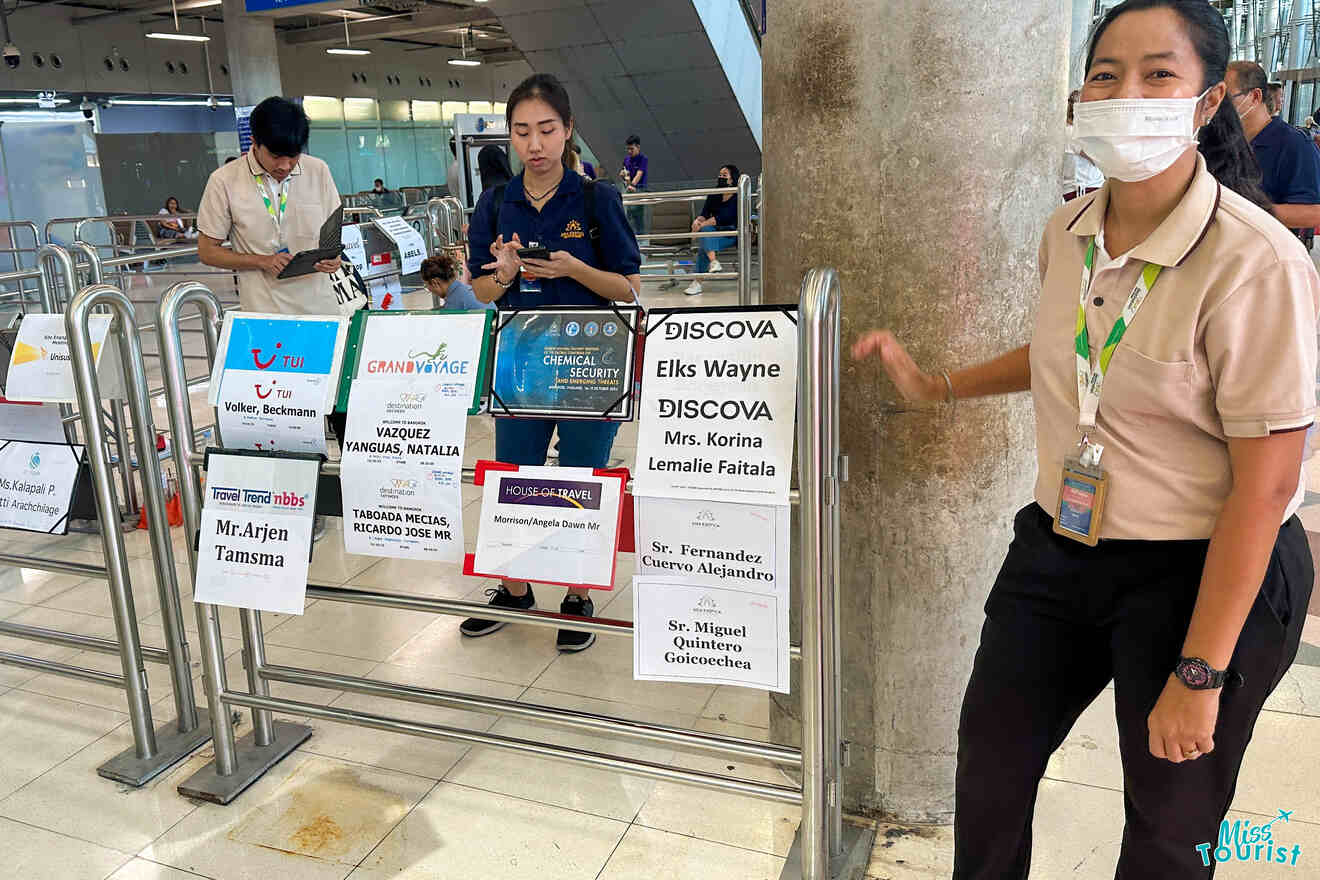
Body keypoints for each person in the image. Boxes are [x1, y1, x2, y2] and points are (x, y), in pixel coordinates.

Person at [854, 2, 1317, 877]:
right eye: (1106, 73)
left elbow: (1265, 487)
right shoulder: (1067, 230)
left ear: (1209, 101)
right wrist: (936, 386)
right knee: (989, 772)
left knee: (1169, 828)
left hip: (1202, 569)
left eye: (1158, 74)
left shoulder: (1254, 261)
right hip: (1062, 546)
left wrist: (1201, 674)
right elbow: (1068, 348)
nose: (1125, 92)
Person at [465, 73, 641, 652]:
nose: (534, 144)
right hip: (520, 359)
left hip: (590, 359)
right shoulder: (494, 203)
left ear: (568, 132)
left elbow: (627, 288)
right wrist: (508, 272)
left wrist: (572, 270)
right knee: (515, 474)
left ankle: (576, 593)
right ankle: (515, 588)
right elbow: (482, 291)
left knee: (581, 477)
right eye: (521, 132)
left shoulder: (596, 199)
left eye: (546, 130)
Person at [196, 96, 344, 314]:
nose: (285, 166)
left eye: (293, 156)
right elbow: (207, 251)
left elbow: (333, 235)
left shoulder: (318, 170)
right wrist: (262, 261)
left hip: (319, 309)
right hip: (263, 311)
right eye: (275, 156)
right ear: (254, 142)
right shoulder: (224, 181)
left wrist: (334, 259)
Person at [1227, 60, 1320, 243]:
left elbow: (1314, 213)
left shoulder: (1293, 144)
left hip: (1264, 255)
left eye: (1227, 99)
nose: (1217, 106)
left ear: (1255, 97)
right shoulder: (1223, 140)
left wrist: (1249, 210)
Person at [684, 164, 740, 296]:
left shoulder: (737, 195)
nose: (721, 177)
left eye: (724, 175)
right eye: (720, 174)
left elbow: (724, 217)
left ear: (732, 179)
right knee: (706, 236)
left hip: (730, 234)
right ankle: (713, 262)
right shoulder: (714, 194)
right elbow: (704, 213)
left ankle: (697, 282)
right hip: (712, 232)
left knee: (705, 237)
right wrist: (698, 221)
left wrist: (701, 226)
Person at [1062, 90, 1105, 201]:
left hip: (1085, 188)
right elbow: (1097, 159)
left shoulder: (1072, 131)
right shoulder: (1073, 133)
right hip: (1084, 188)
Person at [420, 252, 490, 311]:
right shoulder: (469, 290)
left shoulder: (454, 303)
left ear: (435, 282)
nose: (430, 290)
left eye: (427, 286)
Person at [620, 134, 648, 233]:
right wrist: (622, 175)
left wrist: (632, 185)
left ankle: (642, 239)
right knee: (627, 214)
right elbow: (624, 172)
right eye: (628, 149)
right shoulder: (626, 159)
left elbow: (639, 174)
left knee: (638, 215)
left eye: (631, 149)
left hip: (639, 189)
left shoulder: (643, 159)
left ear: (638, 147)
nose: (629, 151)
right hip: (628, 189)